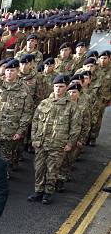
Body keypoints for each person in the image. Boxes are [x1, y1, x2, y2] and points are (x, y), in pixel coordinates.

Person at [28, 75, 78, 205]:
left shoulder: (71, 106)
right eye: (56, 86)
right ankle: (38, 191)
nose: (58, 89)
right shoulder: (44, 103)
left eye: (61, 87)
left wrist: (70, 143)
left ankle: (48, 192)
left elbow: (75, 127)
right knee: (39, 168)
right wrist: (33, 138)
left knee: (52, 169)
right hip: (41, 142)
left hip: (58, 144)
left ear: (66, 87)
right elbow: (35, 121)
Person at [0, 59, 33, 177]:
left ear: (17, 71)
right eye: (8, 70)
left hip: (10, 130)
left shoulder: (23, 89)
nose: (9, 73)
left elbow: (27, 112)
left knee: (5, 158)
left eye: (12, 71)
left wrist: (20, 131)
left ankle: (2, 179)